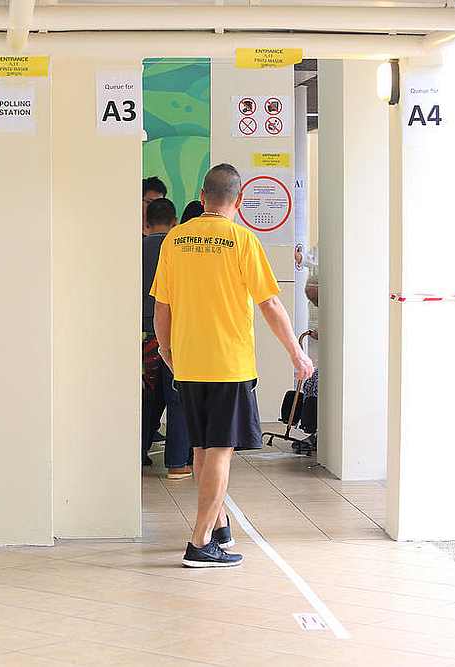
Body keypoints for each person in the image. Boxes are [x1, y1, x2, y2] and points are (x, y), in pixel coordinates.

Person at [152, 164, 313, 568]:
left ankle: (219, 525)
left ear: (203, 197)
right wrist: (296, 352)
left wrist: (167, 351)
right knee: (221, 450)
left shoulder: (175, 239)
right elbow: (271, 304)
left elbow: (162, 305)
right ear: (238, 202)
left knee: (203, 448)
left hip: (188, 363)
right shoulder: (242, 240)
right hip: (228, 364)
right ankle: (200, 542)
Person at [141, 198, 192, 479]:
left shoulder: (136, 248)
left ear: (146, 222)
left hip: (143, 336)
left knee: (146, 398)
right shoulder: (178, 249)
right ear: (175, 223)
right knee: (177, 398)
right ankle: (177, 463)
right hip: (174, 334)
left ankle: (138, 453)